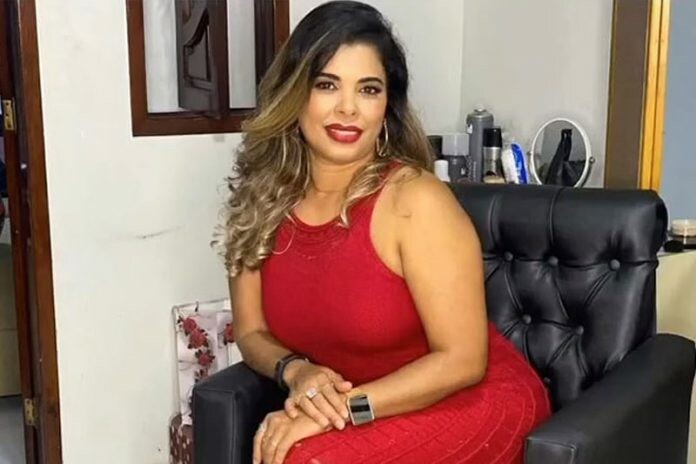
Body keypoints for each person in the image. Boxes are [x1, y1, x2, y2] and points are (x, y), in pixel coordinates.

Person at [218, 2, 551, 463]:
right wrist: (296, 372)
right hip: (370, 403)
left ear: (387, 105)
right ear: (293, 95)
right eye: (326, 85)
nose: (348, 108)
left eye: (368, 89)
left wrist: (339, 412)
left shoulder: (415, 201)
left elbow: (463, 361)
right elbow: (252, 330)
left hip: (473, 399)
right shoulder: (260, 203)